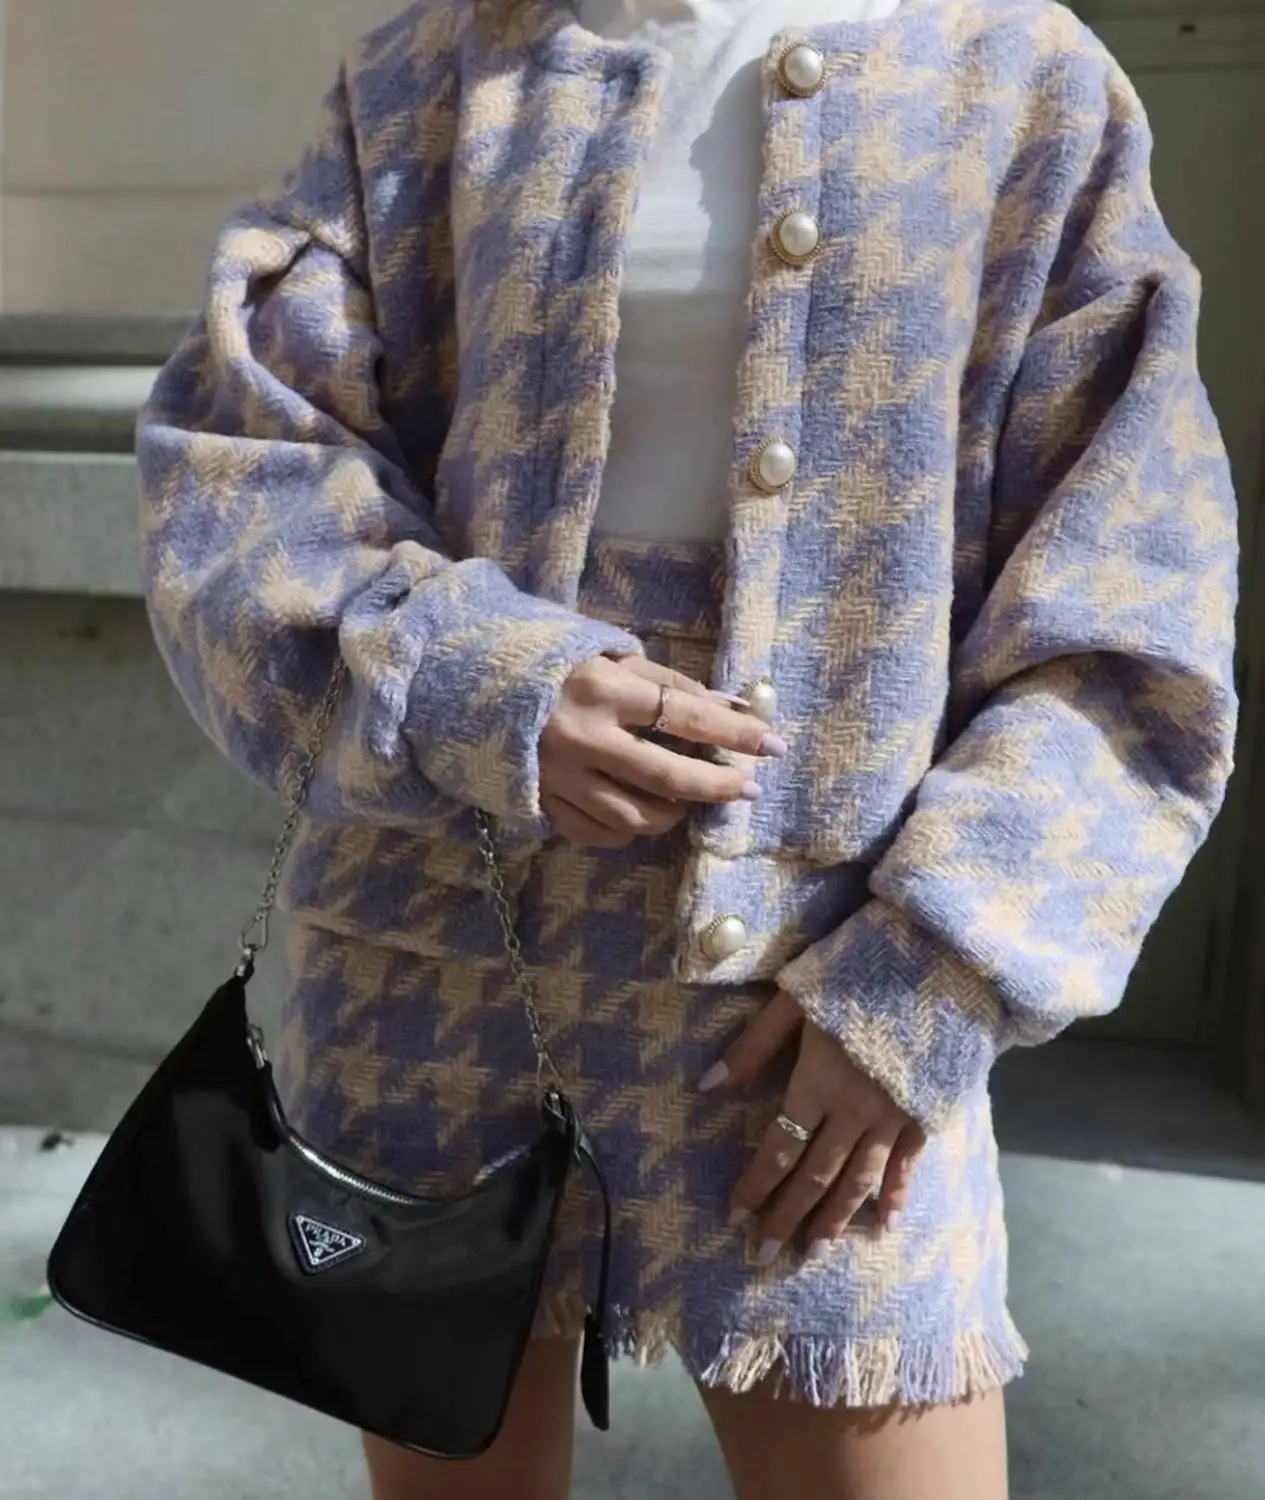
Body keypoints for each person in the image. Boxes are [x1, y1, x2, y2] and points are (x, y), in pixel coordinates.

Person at [135, 0, 1238, 1494]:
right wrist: (476, 683)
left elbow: (1132, 594)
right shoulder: (433, 66)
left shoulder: (1020, 75)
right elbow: (241, 470)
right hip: (439, 966)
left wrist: (935, 973)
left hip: (818, 994)